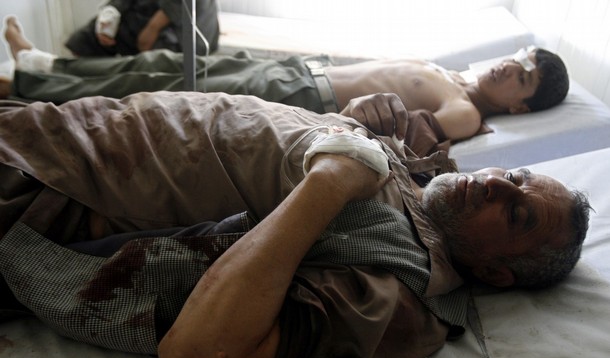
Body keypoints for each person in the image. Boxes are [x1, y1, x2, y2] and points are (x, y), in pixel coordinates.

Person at [0, 91, 590, 358]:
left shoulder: (400, 290)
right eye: (515, 176)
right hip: (58, 126)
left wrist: (329, 182)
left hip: (40, 191)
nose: (495, 183)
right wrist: (355, 120)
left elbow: (206, 353)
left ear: (497, 272)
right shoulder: (422, 181)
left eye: (516, 214)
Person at [0, 16, 569, 142]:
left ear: (520, 107)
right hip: (302, 71)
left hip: (301, 94)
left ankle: (21, 91)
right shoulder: (449, 73)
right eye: (518, 58)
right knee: (167, 65)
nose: (509, 67)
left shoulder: (465, 112)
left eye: (522, 77)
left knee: (158, 90)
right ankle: (40, 66)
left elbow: (405, 138)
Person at [64, 0, 220, 57]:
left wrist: (153, 28)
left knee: (160, 57)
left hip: (184, 35)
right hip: (154, 15)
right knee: (84, 40)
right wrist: (110, 14)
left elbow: (147, 39)